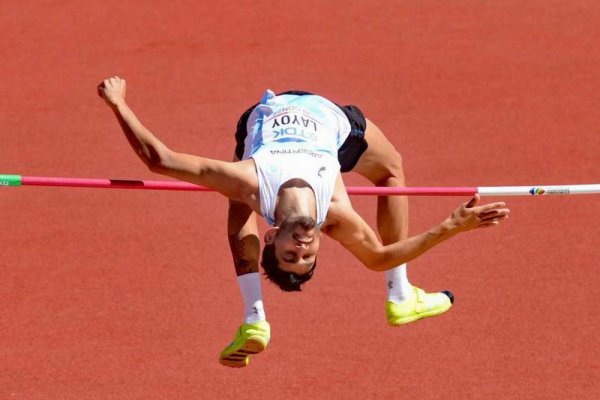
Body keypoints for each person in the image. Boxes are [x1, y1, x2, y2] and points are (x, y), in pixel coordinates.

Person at [98, 76, 510, 368]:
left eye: (290, 253)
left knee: (237, 195)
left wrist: (118, 103)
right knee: (391, 171)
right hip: (336, 127)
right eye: (307, 256)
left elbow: (160, 160)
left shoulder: (248, 180)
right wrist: (452, 226)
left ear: (273, 235)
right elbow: (379, 257)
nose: (303, 246)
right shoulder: (333, 214)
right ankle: (401, 296)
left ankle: (254, 316)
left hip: (261, 125)